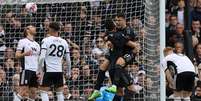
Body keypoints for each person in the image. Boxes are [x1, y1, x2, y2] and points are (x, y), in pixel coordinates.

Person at [88, 18, 141, 101]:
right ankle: (99, 89)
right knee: (127, 90)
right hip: (116, 66)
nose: (117, 22)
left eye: (118, 20)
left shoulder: (116, 33)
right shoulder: (115, 34)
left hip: (116, 63)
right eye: (116, 21)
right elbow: (131, 44)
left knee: (124, 90)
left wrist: (108, 39)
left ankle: (101, 89)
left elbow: (128, 43)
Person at [38, 22, 71, 101]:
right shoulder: (64, 42)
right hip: (59, 71)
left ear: (51, 29)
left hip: (48, 70)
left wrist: (39, 70)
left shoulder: (45, 40)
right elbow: (68, 60)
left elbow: (42, 57)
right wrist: (69, 72)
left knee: (43, 92)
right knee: (59, 93)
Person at [15, 25, 40, 101]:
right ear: (27, 30)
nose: (35, 28)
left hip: (35, 71)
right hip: (26, 69)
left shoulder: (37, 44)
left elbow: (38, 59)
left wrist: (39, 71)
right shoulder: (22, 41)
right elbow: (17, 55)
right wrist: (24, 54)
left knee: (33, 92)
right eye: (32, 27)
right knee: (23, 90)